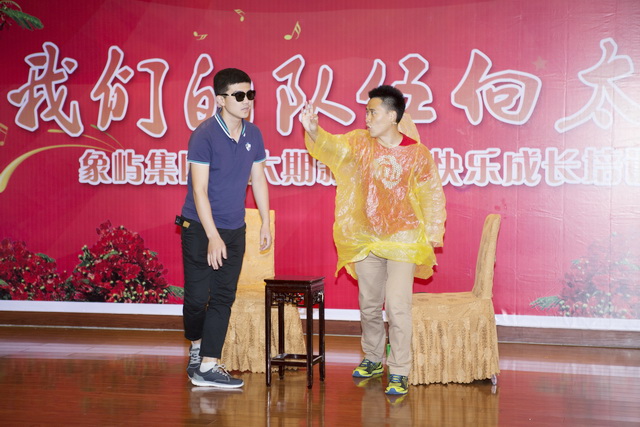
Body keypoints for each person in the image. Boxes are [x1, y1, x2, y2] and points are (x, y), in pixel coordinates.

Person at [300, 85, 446, 396]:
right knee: (368, 304)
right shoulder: (359, 143)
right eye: (366, 112)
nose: (366, 118)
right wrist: (313, 129)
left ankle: (400, 369)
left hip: (404, 240)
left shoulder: (417, 153)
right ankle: (373, 358)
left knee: (397, 306)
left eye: (372, 113)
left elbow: (432, 195)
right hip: (366, 238)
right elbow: (333, 148)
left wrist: (433, 233)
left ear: (392, 116)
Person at [178, 68, 271, 388]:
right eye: (239, 95)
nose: (247, 101)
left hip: (234, 228)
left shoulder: (253, 134)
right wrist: (212, 236)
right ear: (220, 100)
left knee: (222, 297)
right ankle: (196, 344)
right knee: (196, 299)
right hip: (199, 228)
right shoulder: (203, 135)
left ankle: (208, 365)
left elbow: (258, 179)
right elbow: (199, 190)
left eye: (251, 94)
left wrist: (265, 222)